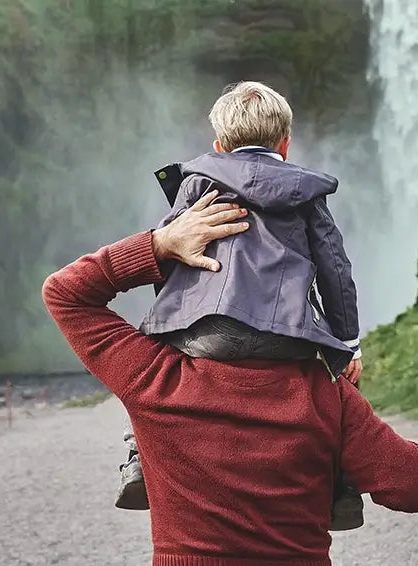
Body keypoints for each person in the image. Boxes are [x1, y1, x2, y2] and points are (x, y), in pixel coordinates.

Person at [42, 191, 418, 565]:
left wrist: (160, 244)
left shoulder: (154, 378)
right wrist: (348, 418)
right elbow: (417, 487)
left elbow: (65, 294)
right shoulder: (326, 395)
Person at [116, 81, 367, 530]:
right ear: (285, 144)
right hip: (287, 335)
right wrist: (348, 342)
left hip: (205, 333)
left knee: (146, 373)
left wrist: (173, 319)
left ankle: (138, 460)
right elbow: (335, 268)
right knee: (339, 387)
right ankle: (341, 486)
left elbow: (171, 251)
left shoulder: (196, 184)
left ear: (218, 146)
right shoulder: (307, 194)